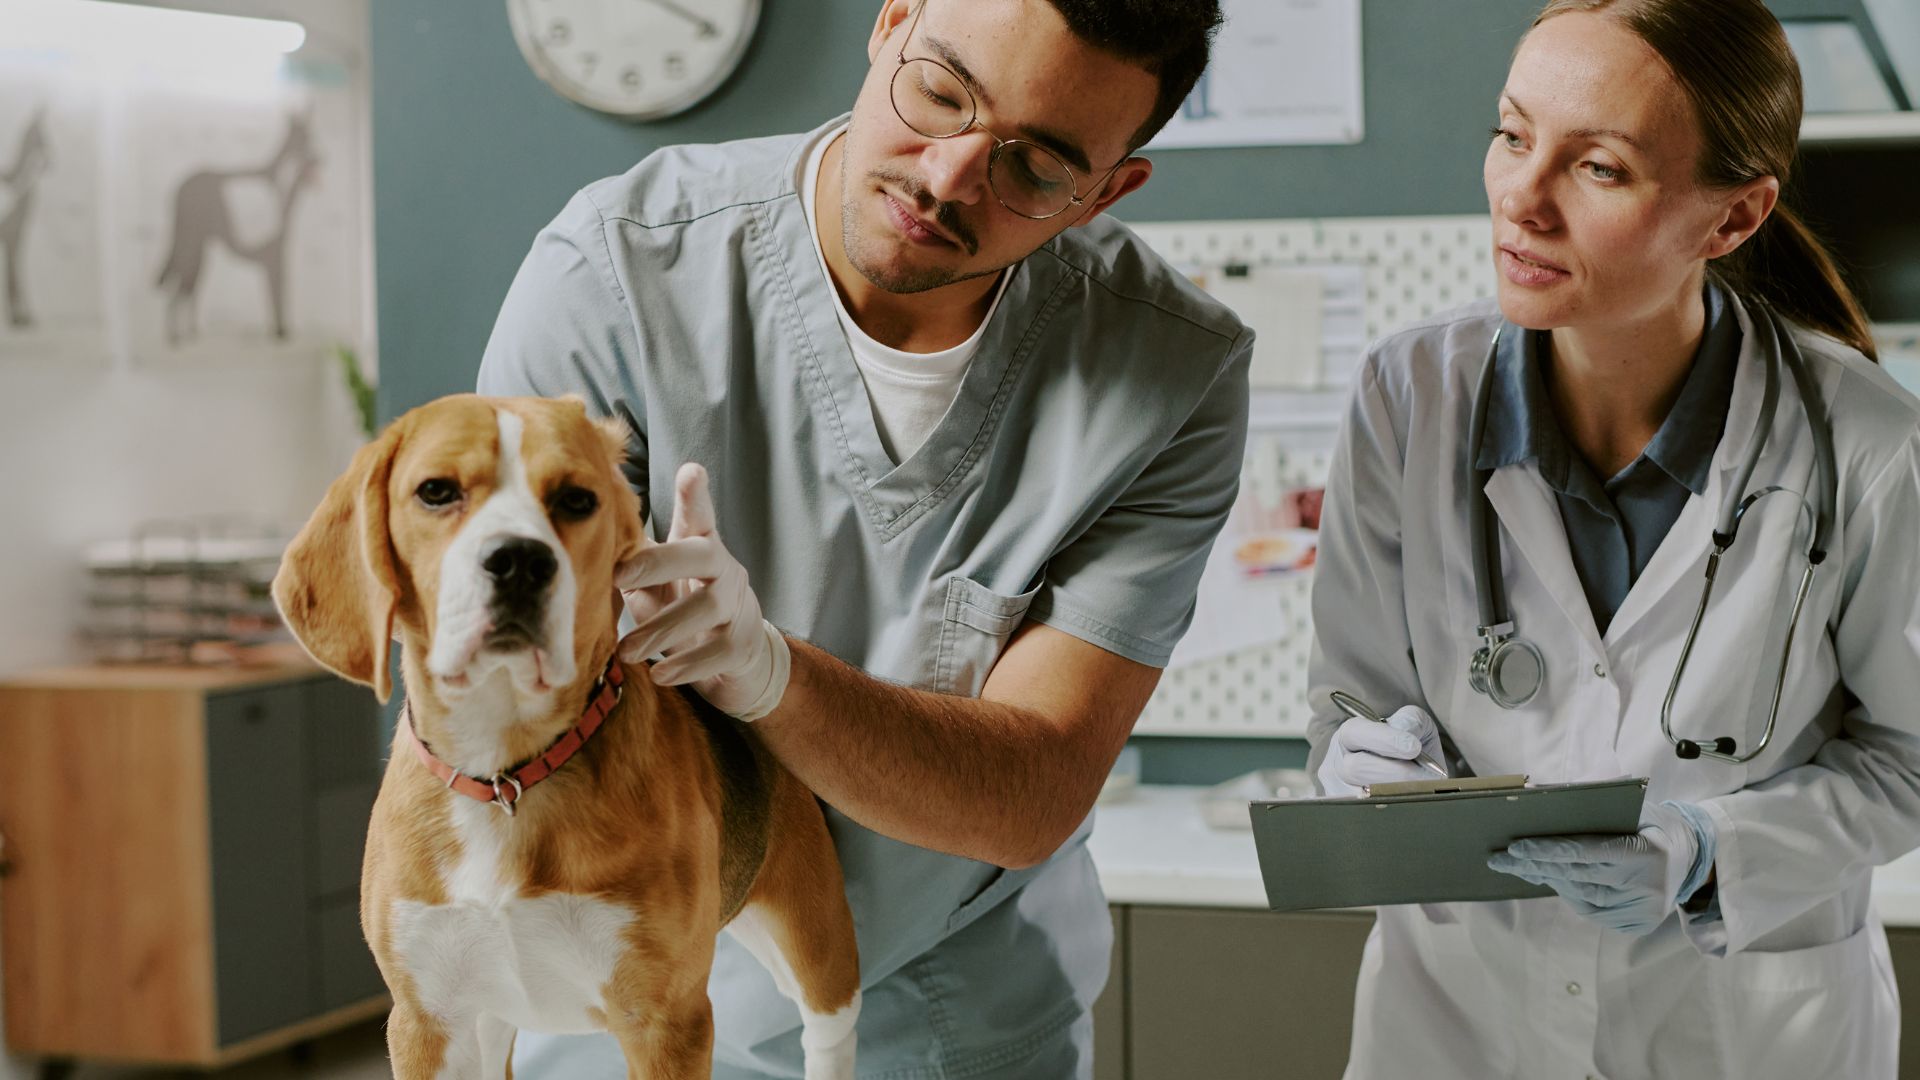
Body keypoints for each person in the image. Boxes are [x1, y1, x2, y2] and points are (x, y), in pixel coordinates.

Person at [476, 0, 1249, 1075]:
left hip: (950, 1023)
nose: (948, 177)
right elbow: (504, 698)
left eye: (1035, 168)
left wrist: (766, 672)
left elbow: (1031, 793)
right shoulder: (616, 277)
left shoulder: (1167, 376)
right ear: (892, 22)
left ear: (1105, 193)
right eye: (940, 92)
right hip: (619, 1002)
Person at [1306, 1, 1920, 1076]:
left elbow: (1909, 762)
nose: (1520, 199)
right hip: (1455, 1028)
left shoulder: (1864, 443)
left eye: (1597, 168)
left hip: (1746, 1032)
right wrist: (1360, 766)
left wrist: (1710, 849)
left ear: (1733, 220)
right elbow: (1351, 701)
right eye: (1511, 134)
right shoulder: (1406, 400)